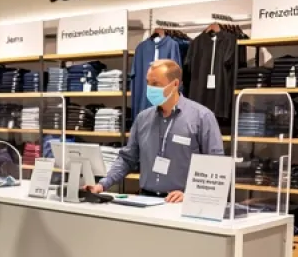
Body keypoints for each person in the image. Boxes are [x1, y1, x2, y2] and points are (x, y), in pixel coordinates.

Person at [86, 59, 224, 203]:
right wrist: (102, 184)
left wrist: (190, 194)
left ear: (175, 84)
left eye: (156, 84)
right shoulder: (143, 118)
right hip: (146, 200)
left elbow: (216, 166)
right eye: (148, 83)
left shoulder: (202, 117)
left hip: (182, 203)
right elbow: (127, 158)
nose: (150, 89)